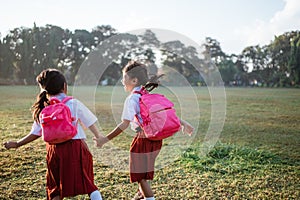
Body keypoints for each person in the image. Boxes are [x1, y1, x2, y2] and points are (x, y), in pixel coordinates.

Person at [95, 61, 194, 200]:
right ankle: (140, 195)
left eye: (124, 77)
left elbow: (124, 124)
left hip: (143, 140)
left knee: (140, 177)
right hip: (156, 141)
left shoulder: (132, 99)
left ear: (134, 80)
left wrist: (105, 139)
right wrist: (183, 123)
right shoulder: (146, 94)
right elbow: (162, 114)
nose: (122, 81)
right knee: (143, 173)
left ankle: (148, 197)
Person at [3, 69, 106, 200]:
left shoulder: (44, 109)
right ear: (64, 86)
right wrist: (99, 137)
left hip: (53, 151)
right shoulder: (73, 103)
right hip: (75, 148)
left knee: (54, 186)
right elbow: (90, 122)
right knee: (88, 183)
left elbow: (35, 133)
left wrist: (17, 144)